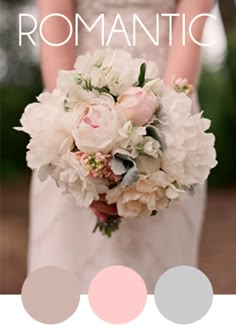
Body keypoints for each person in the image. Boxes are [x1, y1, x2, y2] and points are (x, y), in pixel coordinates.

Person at [29, 0, 215, 293]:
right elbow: (55, 21)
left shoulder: (170, 133)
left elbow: (189, 30)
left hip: (170, 127)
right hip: (74, 116)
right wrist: (76, 151)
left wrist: (159, 146)